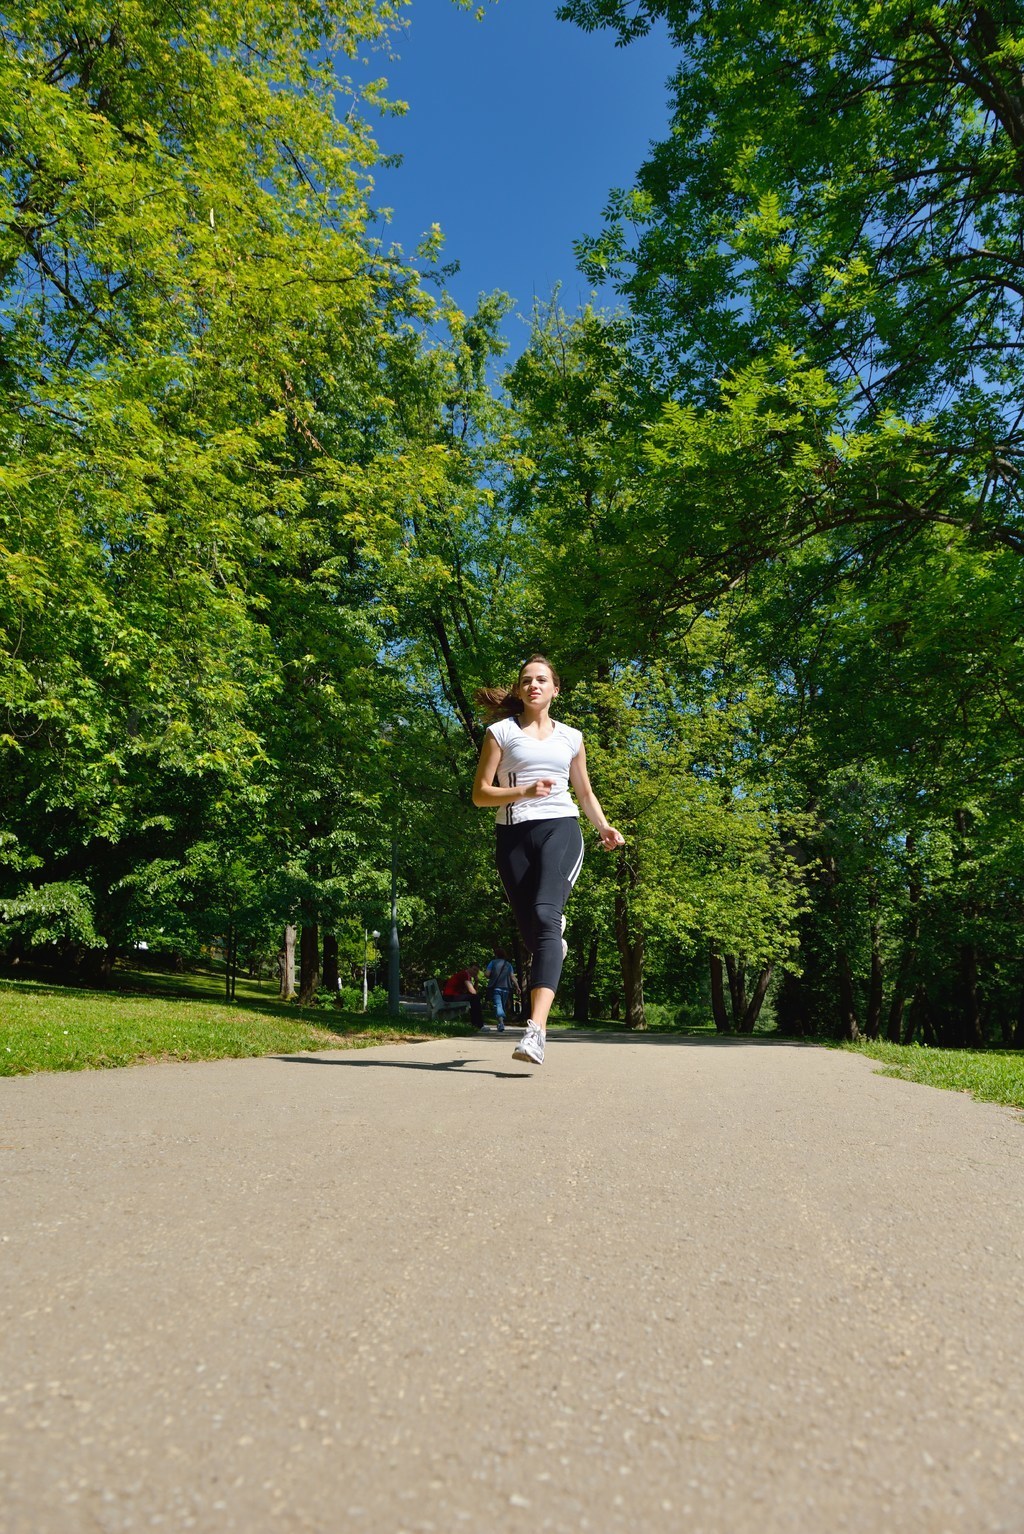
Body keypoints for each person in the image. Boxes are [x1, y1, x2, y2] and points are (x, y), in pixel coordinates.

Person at [472, 655, 625, 1065]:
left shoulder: (572, 738)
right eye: (527, 680)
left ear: (556, 689)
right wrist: (522, 792)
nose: (534, 685)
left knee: (545, 912)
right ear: (520, 690)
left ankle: (535, 1031)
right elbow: (480, 794)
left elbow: (585, 792)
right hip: (513, 836)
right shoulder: (500, 733)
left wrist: (603, 828)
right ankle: (555, 940)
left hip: (561, 827)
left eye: (542, 680)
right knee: (536, 936)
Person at [484, 945, 520, 1033]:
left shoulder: (492, 963)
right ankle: (500, 1022)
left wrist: (492, 975)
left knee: (498, 1005)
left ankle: (501, 1023)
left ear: (496, 954)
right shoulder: (508, 964)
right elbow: (512, 977)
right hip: (506, 988)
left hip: (496, 987)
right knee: (501, 1006)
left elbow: (487, 974)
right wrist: (517, 986)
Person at [442, 963, 484, 1030]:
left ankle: (476, 1024)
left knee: (474, 998)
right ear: (469, 968)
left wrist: (476, 981)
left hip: (449, 996)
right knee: (475, 998)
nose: (475, 972)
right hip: (450, 997)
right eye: (474, 969)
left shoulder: (467, 976)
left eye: (477, 971)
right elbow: (473, 992)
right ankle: (478, 1024)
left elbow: (472, 992)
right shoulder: (465, 974)